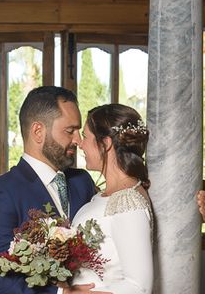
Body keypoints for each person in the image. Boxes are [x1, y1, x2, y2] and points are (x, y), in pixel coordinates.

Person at [0, 86, 205, 294]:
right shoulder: (1, 192)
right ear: (38, 132)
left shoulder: (82, 181)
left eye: (80, 131)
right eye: (70, 131)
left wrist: (191, 210)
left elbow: (128, 210)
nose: (77, 140)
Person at [69, 103, 153, 293]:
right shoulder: (105, 195)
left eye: (85, 136)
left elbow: (139, 286)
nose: (80, 144)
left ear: (105, 144)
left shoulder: (127, 203)